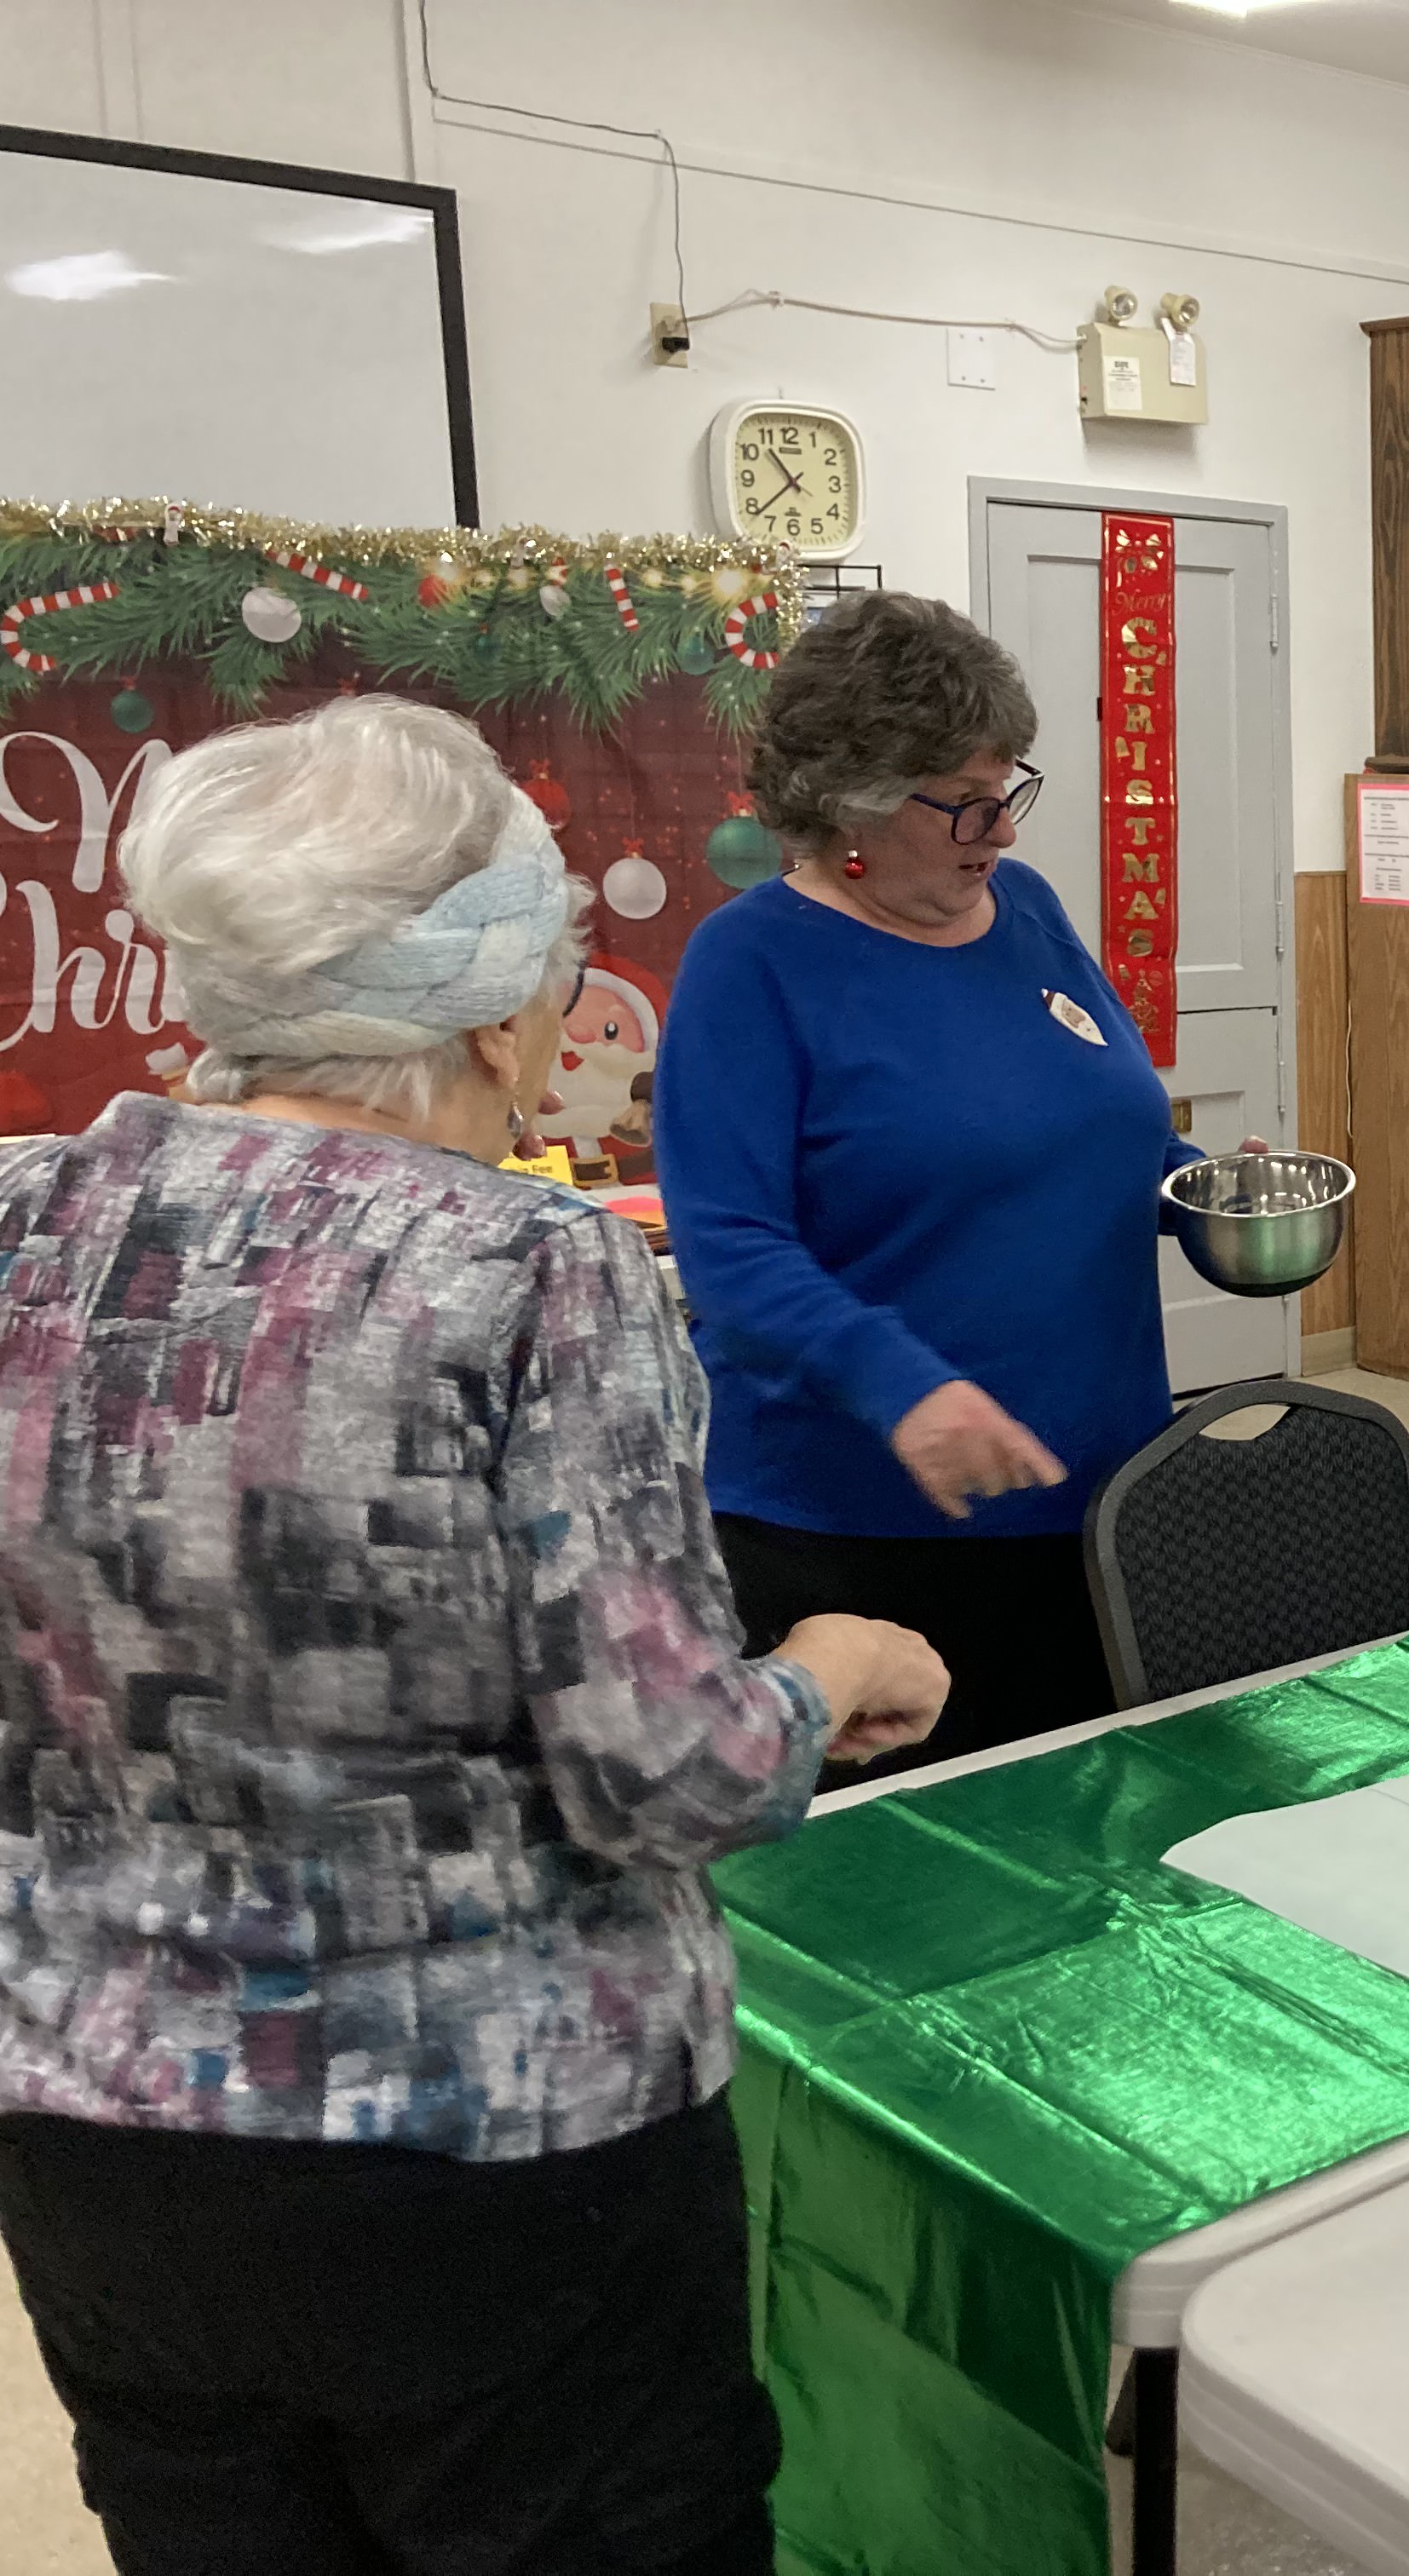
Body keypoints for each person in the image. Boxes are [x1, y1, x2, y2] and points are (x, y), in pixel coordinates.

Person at [0, 696, 948, 2575]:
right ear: (501, 1009)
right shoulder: (529, 1267)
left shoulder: (28, 1214)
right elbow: (662, 1773)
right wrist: (831, 1667)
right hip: (492, 2156)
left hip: (96, 2143)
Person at [653, 593, 1210, 1774]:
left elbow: (1098, 1131)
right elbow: (731, 1254)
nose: (996, 830)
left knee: (1090, 1834)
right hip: (860, 1532)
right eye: (961, 800)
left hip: (1098, 1496)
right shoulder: (752, 963)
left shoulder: (1029, 912)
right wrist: (903, 1387)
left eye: (1006, 790)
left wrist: (1205, 1196)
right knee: (905, 1868)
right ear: (849, 798)